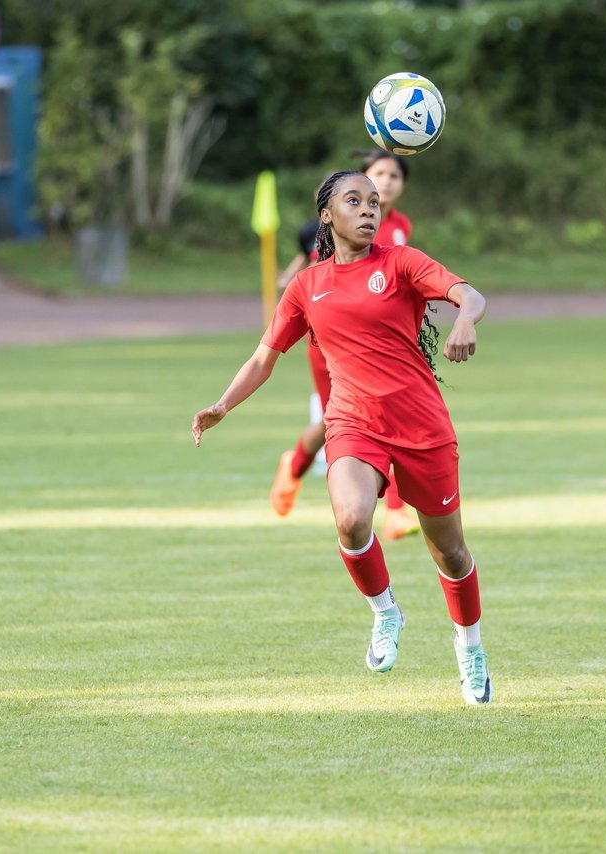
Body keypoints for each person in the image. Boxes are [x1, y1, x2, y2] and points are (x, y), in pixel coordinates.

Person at [193, 171, 493, 704]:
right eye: (353, 201)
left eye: (374, 202)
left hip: (422, 427)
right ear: (326, 216)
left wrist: (464, 320)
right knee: (352, 521)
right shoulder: (307, 285)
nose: (368, 209)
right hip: (353, 422)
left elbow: (468, 294)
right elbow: (265, 357)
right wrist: (222, 404)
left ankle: (470, 649)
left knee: (450, 553)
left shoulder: (401, 263)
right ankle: (386, 613)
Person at [270, 151, 420, 543]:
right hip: (333, 345)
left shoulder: (400, 227)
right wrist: (293, 273)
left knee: (391, 415)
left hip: (383, 346)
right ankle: (296, 463)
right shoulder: (340, 215)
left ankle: (396, 512)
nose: (386, 183)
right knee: (341, 421)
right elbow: (317, 257)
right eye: (378, 174)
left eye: (394, 176)